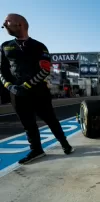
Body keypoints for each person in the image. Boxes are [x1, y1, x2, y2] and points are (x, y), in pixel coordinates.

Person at [0, 13, 74, 164]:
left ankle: (65, 144)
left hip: (39, 92)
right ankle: (36, 150)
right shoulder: (5, 46)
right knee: (28, 124)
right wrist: (10, 86)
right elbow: (2, 70)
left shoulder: (39, 46)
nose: (4, 25)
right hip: (16, 94)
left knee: (51, 119)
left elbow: (45, 70)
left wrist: (26, 85)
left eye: (7, 22)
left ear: (20, 24)